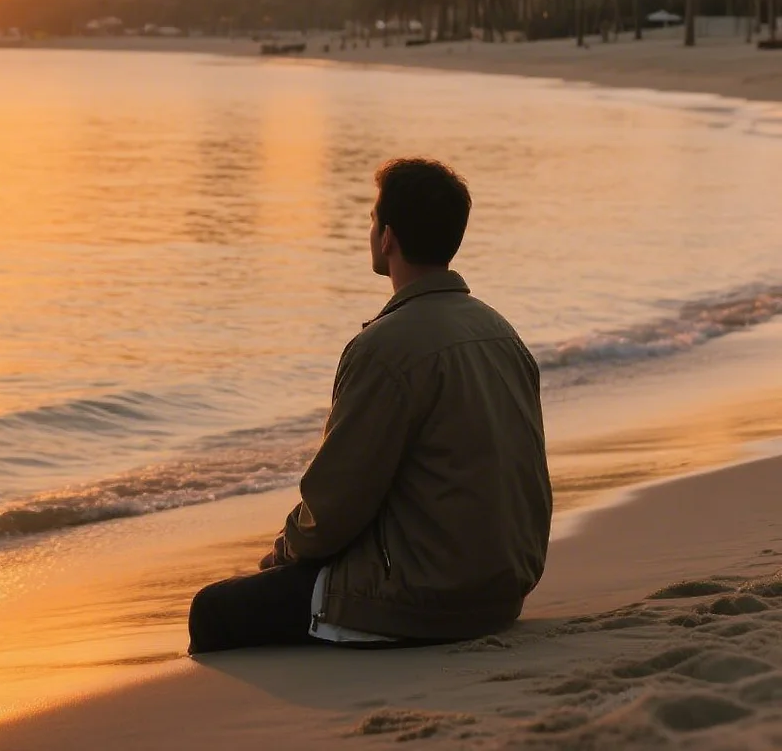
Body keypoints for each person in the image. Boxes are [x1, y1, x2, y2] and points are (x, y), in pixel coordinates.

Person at [188, 157, 552, 653]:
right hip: (501, 592)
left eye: (372, 219)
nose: (371, 230)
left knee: (212, 611)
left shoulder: (385, 349)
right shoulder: (501, 333)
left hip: (420, 601)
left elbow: (336, 505)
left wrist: (285, 552)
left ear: (387, 237)